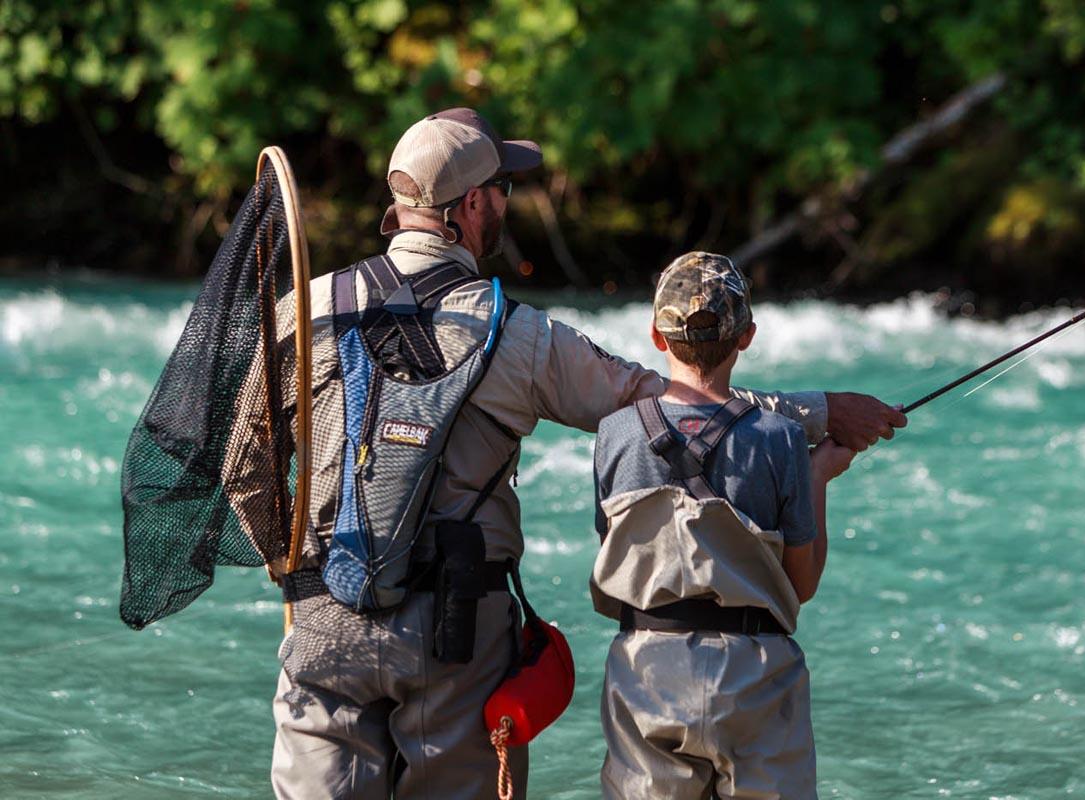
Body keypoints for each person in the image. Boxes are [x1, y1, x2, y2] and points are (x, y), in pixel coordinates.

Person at [230, 108, 905, 800]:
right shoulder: (518, 335)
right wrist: (819, 412)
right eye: (503, 190)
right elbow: (670, 403)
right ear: (471, 205)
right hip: (457, 634)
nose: (508, 204)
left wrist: (287, 564)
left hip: (323, 614)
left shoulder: (307, 308)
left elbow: (240, 464)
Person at [590, 251, 856, 799]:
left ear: (657, 338)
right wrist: (818, 477)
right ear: (747, 337)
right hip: (755, 673)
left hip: (647, 668)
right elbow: (800, 586)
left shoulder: (614, 434)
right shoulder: (779, 438)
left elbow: (617, 557)